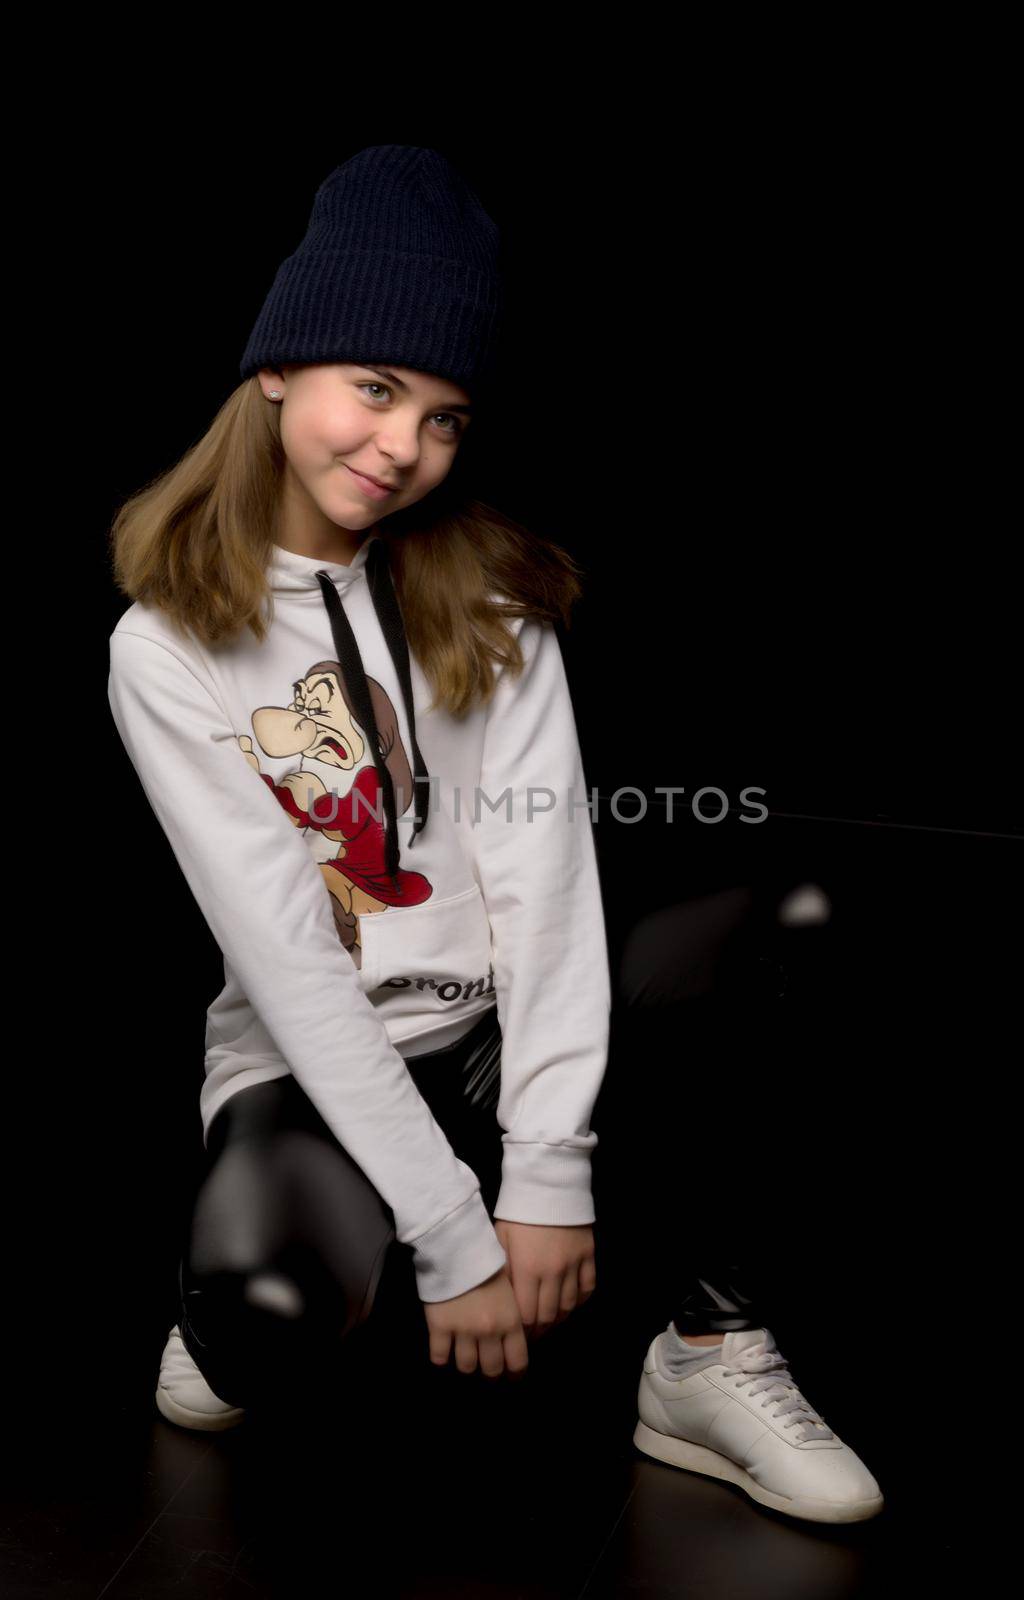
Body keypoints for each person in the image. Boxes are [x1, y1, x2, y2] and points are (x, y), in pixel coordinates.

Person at [107, 145, 609, 1426]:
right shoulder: (165, 645)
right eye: (374, 389)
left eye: (443, 417)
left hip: (486, 1045)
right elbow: (283, 950)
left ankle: (708, 1351)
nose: (402, 449)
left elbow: (541, 881)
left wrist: (544, 1171)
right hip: (315, 1056)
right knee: (263, 1325)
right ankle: (269, 1280)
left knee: (788, 916)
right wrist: (449, 1229)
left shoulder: (492, 604)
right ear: (276, 368)